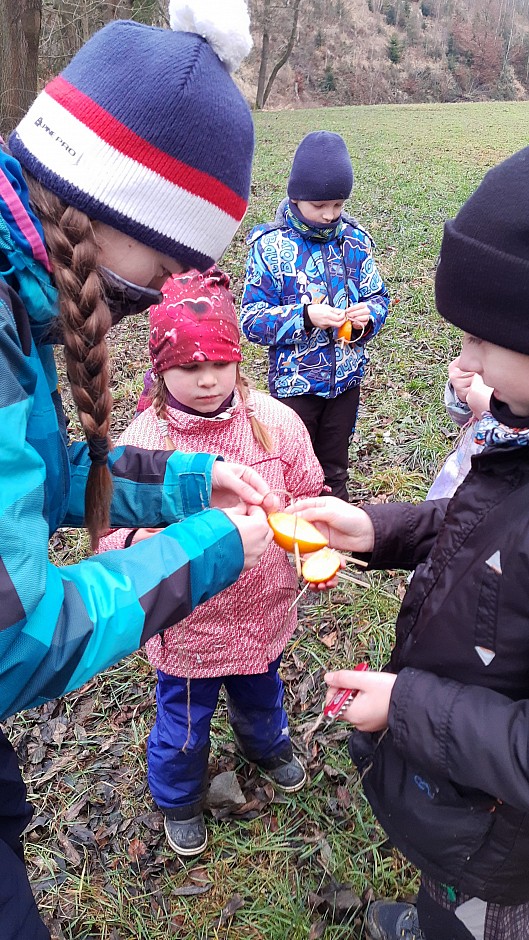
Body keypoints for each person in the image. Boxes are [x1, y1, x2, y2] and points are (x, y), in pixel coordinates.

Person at [0, 2, 280, 936]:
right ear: (112, 206)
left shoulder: (20, 299)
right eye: (163, 265)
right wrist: (208, 546)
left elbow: (43, 469)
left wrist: (193, 484)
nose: (158, 295)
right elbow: (17, 641)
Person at [287, 146, 529, 940]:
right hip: (470, 799)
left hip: (510, 835)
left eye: (480, 341)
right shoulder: (520, 441)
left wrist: (410, 705)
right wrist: (376, 529)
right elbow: (479, 524)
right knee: (449, 887)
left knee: (487, 909)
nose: (460, 363)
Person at [98, 266, 324, 856]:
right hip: (188, 625)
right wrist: (140, 544)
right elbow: (109, 532)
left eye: (219, 364)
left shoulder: (274, 425)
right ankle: (178, 795)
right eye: (188, 367)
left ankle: (265, 744)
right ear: (159, 367)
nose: (205, 381)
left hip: (261, 611)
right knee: (185, 724)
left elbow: (304, 492)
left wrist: (312, 548)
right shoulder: (145, 442)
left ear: (238, 361)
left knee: (260, 690)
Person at [240, 130, 390, 502]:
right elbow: (252, 321)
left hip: (346, 383)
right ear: (296, 197)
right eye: (319, 205)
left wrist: (367, 316)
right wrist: (305, 316)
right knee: (293, 468)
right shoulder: (270, 247)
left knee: (335, 467)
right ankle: (291, 545)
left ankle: (333, 542)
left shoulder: (355, 241)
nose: (329, 215)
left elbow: (379, 297)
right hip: (295, 389)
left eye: (338, 205)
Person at [425, 356, 492, 500]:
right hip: (450, 487)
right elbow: (466, 419)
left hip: (489, 508)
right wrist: (462, 396)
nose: (464, 360)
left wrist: (493, 417)